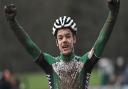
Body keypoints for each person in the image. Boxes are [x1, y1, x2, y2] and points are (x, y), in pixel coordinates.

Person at [4, 0, 120, 89]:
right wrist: (12, 23)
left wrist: (113, 14)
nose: (64, 40)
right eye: (60, 38)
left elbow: (101, 40)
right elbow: (29, 45)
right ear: (57, 43)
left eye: (68, 36)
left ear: (74, 39)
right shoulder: (51, 64)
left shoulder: (84, 63)